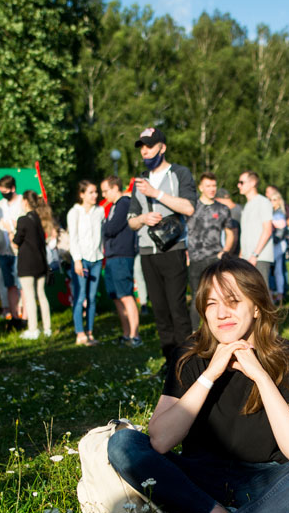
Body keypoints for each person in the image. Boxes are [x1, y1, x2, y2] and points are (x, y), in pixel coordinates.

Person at [106, 257, 289, 513]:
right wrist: (210, 375)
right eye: (211, 304)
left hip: (263, 481)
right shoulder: (189, 356)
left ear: (257, 306)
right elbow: (161, 440)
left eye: (233, 301)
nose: (222, 313)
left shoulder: (286, 358)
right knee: (122, 443)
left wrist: (260, 375)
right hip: (196, 478)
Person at [127, 127, 197, 361]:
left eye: (150, 146)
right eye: (142, 148)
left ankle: (186, 361)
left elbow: (189, 208)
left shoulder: (179, 173)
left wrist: (156, 194)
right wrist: (142, 219)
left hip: (173, 248)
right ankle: (169, 362)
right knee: (160, 311)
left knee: (177, 309)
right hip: (148, 251)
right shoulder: (139, 180)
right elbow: (131, 221)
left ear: (162, 148)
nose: (145, 152)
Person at [186, 173, 234, 328]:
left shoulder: (223, 209)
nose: (212, 189)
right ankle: (194, 333)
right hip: (195, 259)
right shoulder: (191, 207)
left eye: (214, 186)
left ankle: (215, 329)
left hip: (215, 259)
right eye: (208, 186)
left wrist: (225, 251)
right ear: (201, 187)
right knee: (196, 297)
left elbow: (231, 233)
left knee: (218, 296)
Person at [101, 175, 140, 346]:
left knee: (125, 295)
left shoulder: (124, 203)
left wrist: (103, 226)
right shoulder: (114, 206)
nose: (104, 195)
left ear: (116, 187)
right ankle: (126, 334)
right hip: (112, 256)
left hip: (122, 256)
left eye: (106, 190)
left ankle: (135, 335)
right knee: (117, 296)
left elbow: (111, 228)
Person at [67, 180, 104, 345]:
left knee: (92, 297)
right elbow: (72, 238)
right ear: (82, 195)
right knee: (80, 295)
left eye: (96, 192)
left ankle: (89, 331)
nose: (95, 195)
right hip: (81, 259)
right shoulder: (74, 213)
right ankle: (79, 332)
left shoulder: (100, 211)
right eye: (91, 192)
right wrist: (77, 260)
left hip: (96, 258)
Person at [14, 192, 52, 340]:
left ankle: (33, 328)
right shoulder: (38, 219)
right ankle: (47, 327)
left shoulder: (23, 220)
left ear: (25, 202)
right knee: (42, 296)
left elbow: (17, 240)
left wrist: (11, 232)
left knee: (29, 297)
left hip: (27, 264)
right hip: (40, 263)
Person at [0, 175, 24, 320]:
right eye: (1, 191)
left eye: (5, 190)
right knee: (9, 284)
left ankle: (24, 314)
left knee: (22, 285)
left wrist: (12, 227)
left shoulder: (22, 203)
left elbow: (24, 226)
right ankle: (13, 316)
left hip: (19, 251)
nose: (3, 193)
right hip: (4, 250)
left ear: (12, 189)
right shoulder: (0, 205)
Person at [237, 171, 273, 279]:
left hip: (259, 257)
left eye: (241, 182)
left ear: (252, 183)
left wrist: (255, 255)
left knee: (261, 293)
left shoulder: (263, 202)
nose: (238, 185)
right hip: (247, 257)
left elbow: (267, 230)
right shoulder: (247, 205)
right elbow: (246, 233)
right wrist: (241, 255)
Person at [265, 186, 289, 304]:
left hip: (277, 245)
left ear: (279, 201)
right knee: (275, 270)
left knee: (276, 270)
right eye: (270, 200)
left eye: (274, 200)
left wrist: (271, 240)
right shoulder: (273, 212)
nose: (272, 202)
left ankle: (278, 293)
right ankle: (275, 292)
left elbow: (279, 233)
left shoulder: (279, 214)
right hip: (273, 243)